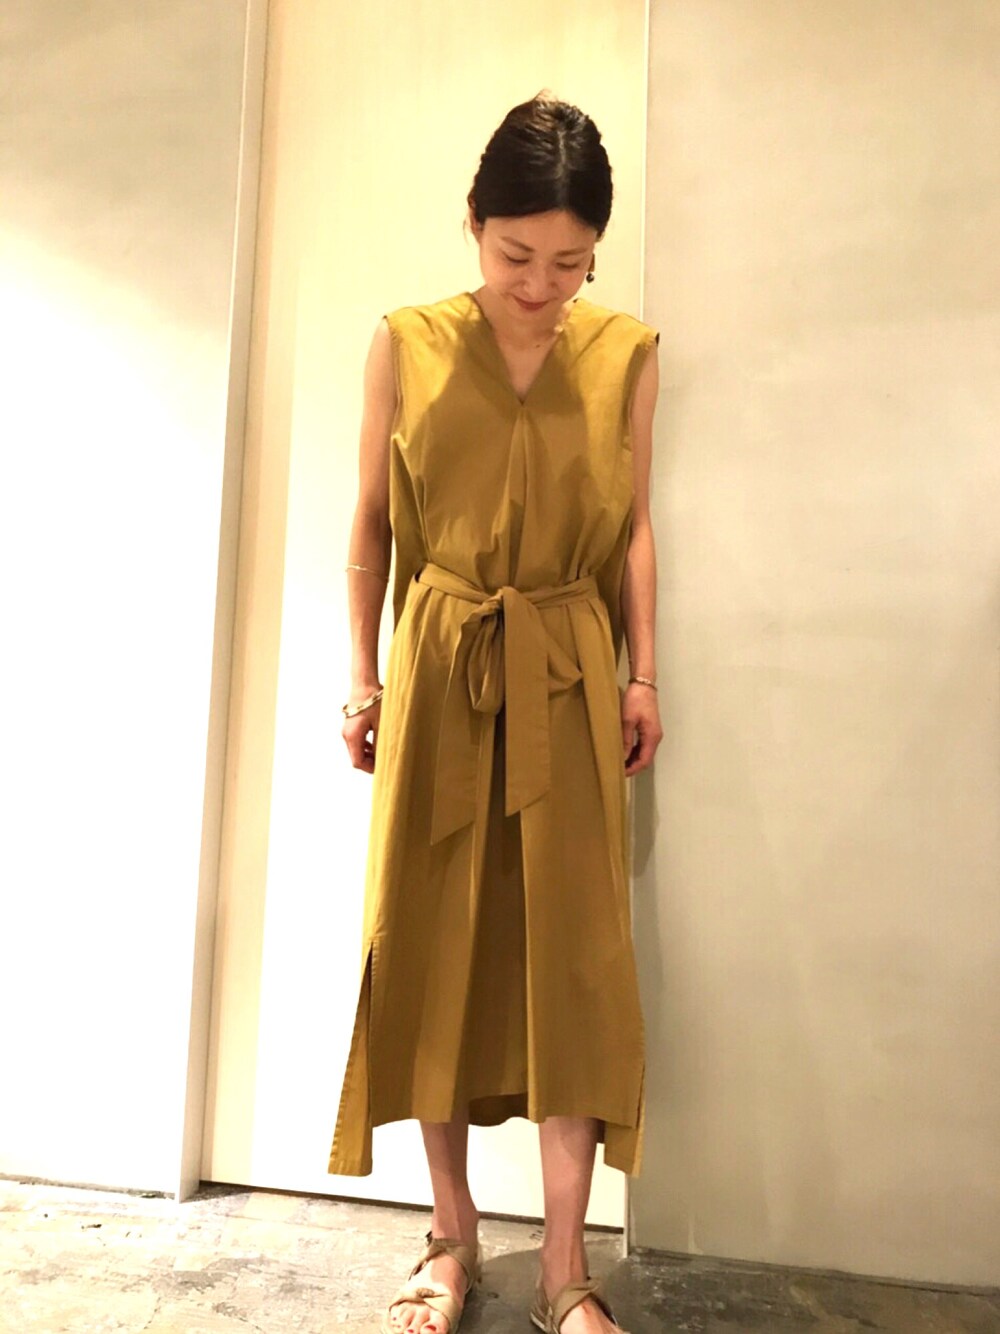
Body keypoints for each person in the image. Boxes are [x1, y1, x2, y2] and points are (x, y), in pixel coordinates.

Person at [329, 92, 662, 1334]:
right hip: (441, 662)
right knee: (432, 940)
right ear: (474, 223)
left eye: (570, 263)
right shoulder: (407, 343)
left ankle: (566, 1264)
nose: (540, 286)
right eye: (517, 254)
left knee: (575, 955)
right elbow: (370, 521)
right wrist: (360, 676)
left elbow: (633, 527)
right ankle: (449, 1234)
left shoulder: (626, 354)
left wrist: (643, 672)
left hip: (568, 664)